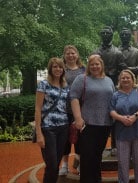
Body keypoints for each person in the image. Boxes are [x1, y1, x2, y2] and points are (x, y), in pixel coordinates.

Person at [70, 54, 115, 183]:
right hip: (87, 124)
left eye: (97, 64)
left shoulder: (109, 80)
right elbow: (73, 97)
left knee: (97, 157)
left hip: (105, 124)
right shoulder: (81, 79)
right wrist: (78, 118)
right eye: (92, 64)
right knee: (87, 158)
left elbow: (113, 100)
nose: (95, 66)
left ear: (101, 65)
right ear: (88, 66)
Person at [110, 69, 138, 183]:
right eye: (122, 78)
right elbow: (111, 110)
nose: (125, 79)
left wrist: (135, 116)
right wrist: (121, 118)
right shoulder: (116, 95)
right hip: (122, 133)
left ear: (133, 79)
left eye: (128, 77)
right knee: (123, 164)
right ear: (119, 80)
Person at [34, 57, 69, 183]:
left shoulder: (65, 86)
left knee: (56, 164)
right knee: (52, 164)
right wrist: (39, 133)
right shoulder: (43, 84)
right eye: (55, 66)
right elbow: (38, 109)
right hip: (48, 128)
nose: (58, 69)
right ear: (50, 69)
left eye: (60, 67)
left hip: (63, 127)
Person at [93, 25, 127, 152]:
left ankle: (115, 145)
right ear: (101, 35)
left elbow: (123, 69)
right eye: (104, 33)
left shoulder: (118, 52)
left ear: (112, 35)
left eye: (108, 33)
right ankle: (98, 146)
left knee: (115, 115)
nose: (106, 35)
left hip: (113, 86)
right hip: (97, 86)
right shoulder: (95, 52)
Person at [59, 45, 85, 175]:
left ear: (77, 55)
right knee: (65, 139)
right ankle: (64, 165)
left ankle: (79, 163)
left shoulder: (84, 70)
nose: (70, 55)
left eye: (73, 53)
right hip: (64, 109)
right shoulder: (60, 69)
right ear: (64, 55)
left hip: (81, 109)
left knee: (80, 138)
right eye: (68, 53)